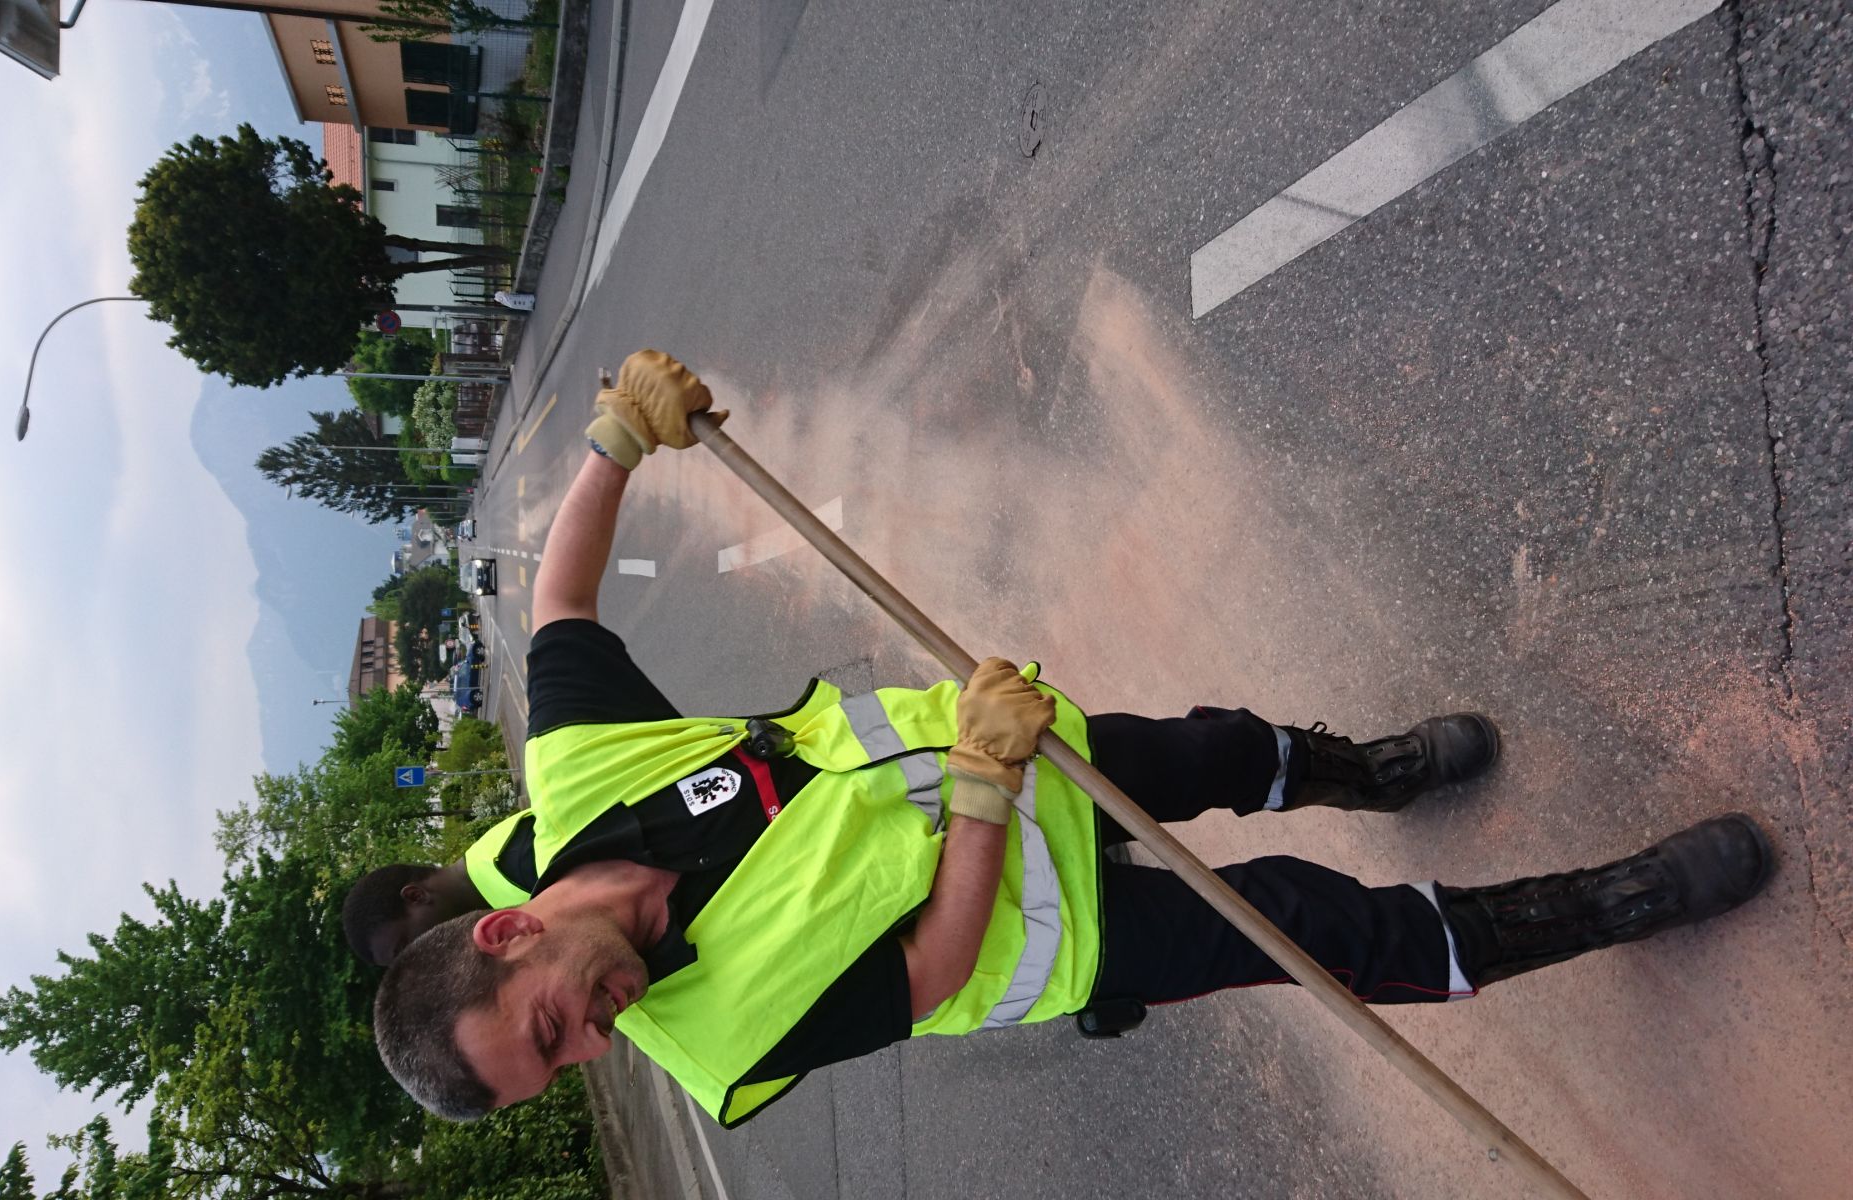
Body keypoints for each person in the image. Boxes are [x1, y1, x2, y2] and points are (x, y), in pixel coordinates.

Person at [371, 350, 1775, 1127]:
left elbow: (559, 604)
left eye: (554, 1028)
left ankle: (1377, 772)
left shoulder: (578, 782)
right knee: (1319, 931)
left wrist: (619, 439)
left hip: (1021, 754)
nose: (597, 1043)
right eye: (562, 1068)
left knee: (1226, 751)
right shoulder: (715, 1044)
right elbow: (928, 973)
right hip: (1054, 922)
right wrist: (981, 792)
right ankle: (1615, 901)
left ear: (509, 933)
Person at [342, 809, 538, 968]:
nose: (422, 957)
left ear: (416, 896)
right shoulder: (490, 856)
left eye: (406, 946)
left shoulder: (517, 863)